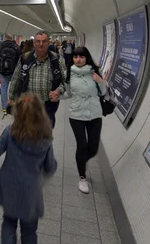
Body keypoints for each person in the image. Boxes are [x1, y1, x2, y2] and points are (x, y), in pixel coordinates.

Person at [0, 93, 58, 244]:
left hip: (9, 185)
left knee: (9, 223)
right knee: (30, 230)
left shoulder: (11, 131)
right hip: (31, 190)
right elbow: (50, 167)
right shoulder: (45, 138)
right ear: (40, 113)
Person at [61, 47, 107, 194]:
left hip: (94, 113)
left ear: (87, 58)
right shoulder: (68, 73)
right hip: (76, 114)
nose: (78, 60)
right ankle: (82, 177)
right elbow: (67, 93)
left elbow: (104, 92)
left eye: (81, 57)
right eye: (75, 57)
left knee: (93, 148)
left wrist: (100, 82)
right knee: (82, 145)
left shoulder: (94, 73)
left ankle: (82, 160)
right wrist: (57, 95)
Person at [8, 31, 67, 128]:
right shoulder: (25, 58)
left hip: (48, 104)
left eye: (44, 41)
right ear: (34, 43)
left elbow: (66, 80)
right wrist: (10, 97)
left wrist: (58, 91)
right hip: (28, 103)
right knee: (28, 131)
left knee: (46, 132)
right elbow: (16, 78)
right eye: (38, 41)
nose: (40, 44)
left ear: (49, 43)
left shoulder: (56, 59)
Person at [0, 34, 21, 115]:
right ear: (11, 38)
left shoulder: (0, 46)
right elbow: (20, 59)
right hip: (14, 71)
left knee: (3, 88)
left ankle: (4, 108)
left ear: (5, 38)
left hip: (3, 71)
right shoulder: (16, 47)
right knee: (14, 89)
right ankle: (14, 105)